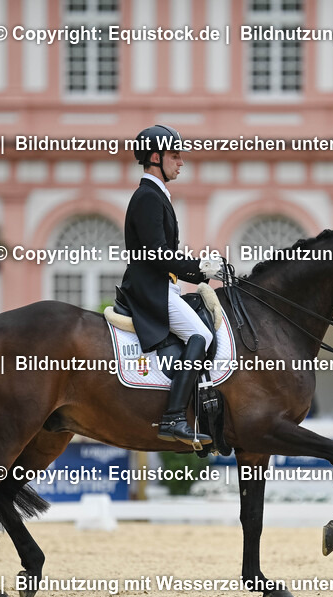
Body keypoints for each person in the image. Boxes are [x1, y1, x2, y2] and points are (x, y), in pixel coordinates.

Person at [117, 124, 223, 446]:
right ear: (155, 158)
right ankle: (174, 417)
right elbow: (157, 254)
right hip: (150, 290)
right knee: (201, 335)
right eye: (174, 156)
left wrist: (200, 270)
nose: (181, 162)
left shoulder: (157, 195)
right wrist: (199, 269)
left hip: (164, 287)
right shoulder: (148, 197)